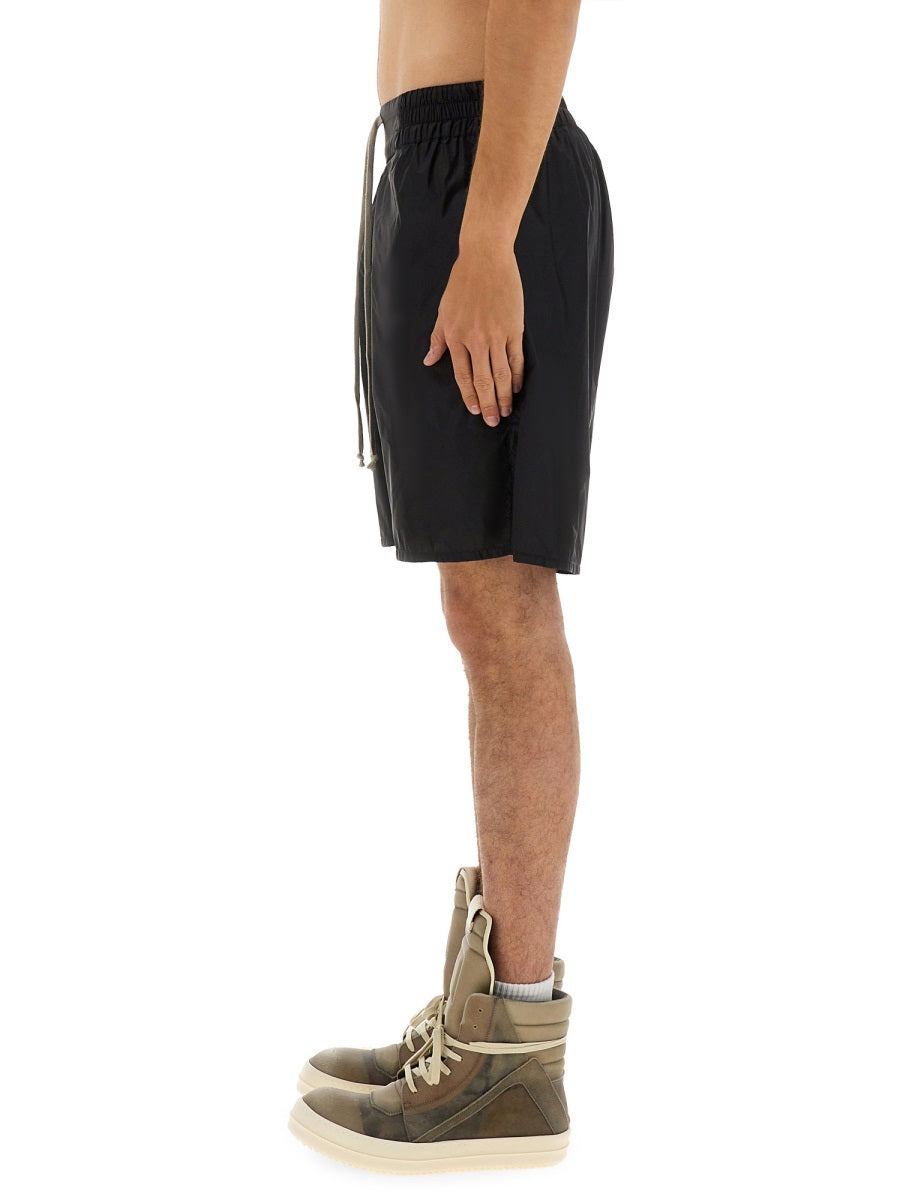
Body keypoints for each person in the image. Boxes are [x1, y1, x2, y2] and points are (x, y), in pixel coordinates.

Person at [289, 0, 613, 1172]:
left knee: (508, 609)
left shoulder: (489, 210)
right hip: (439, 168)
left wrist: (487, 237)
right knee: (480, 611)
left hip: (489, 182)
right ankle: (486, 1026)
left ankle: (513, 1052)